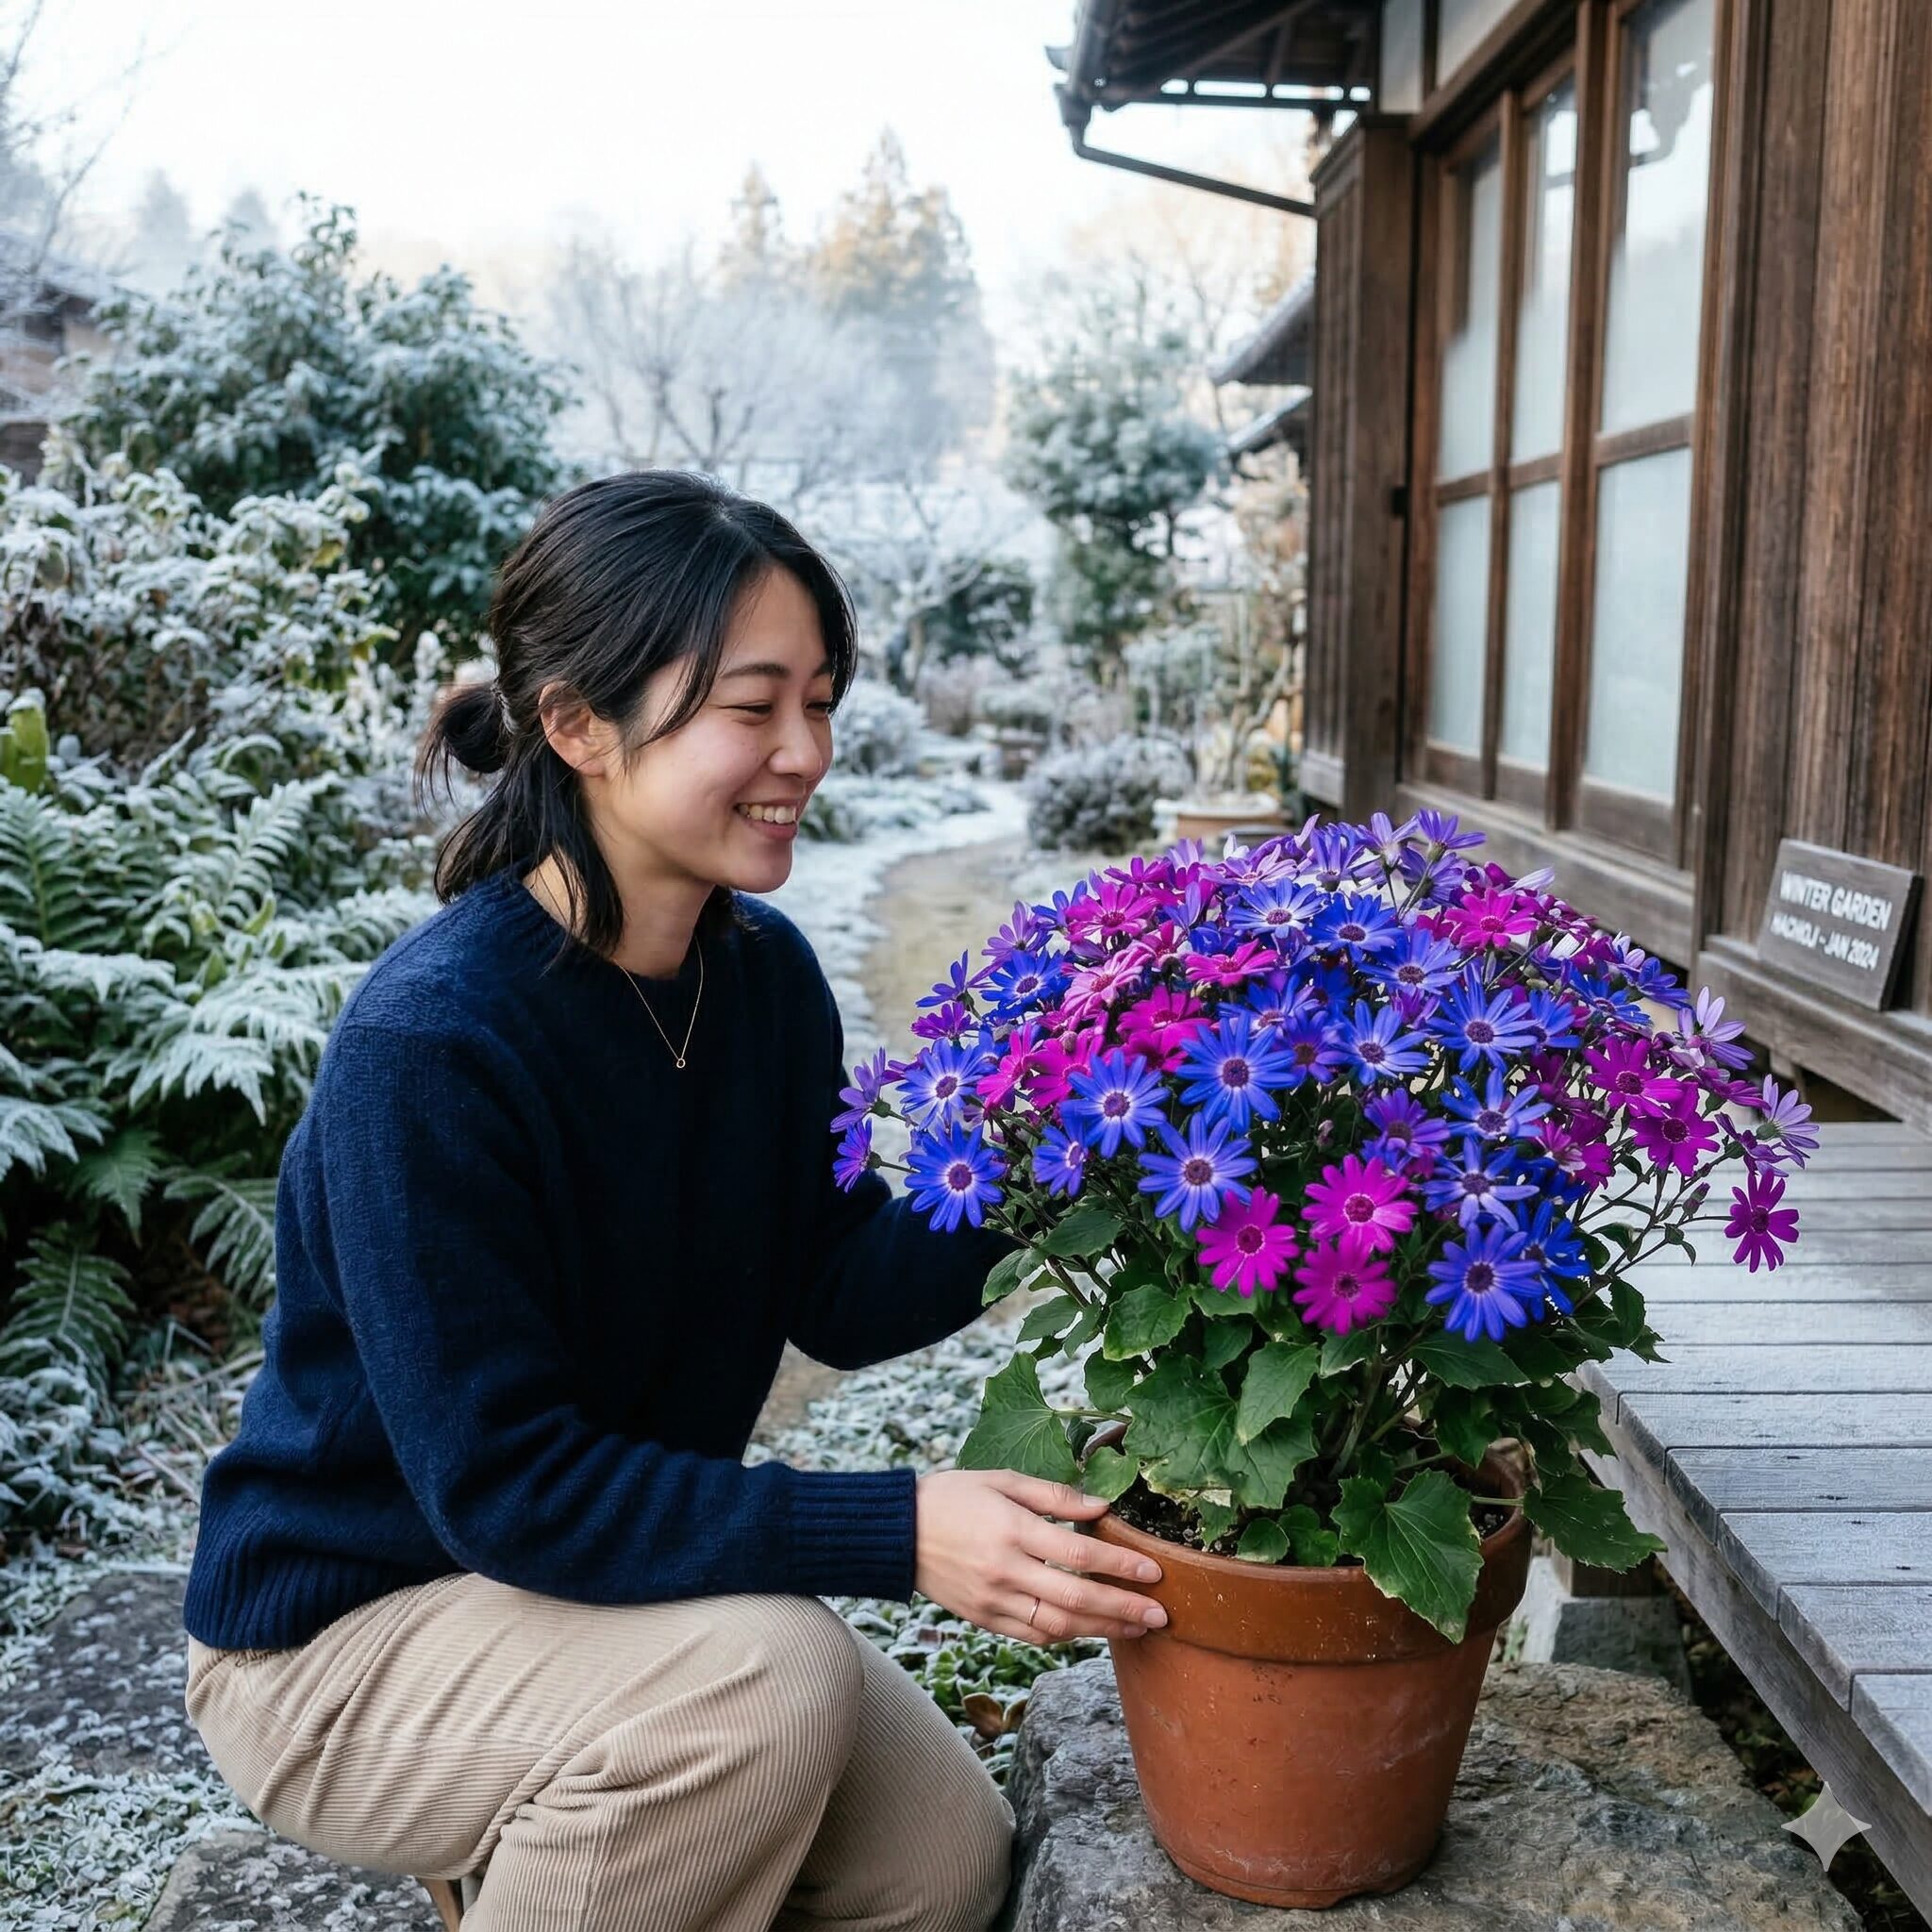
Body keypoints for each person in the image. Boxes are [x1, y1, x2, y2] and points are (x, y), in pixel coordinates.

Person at [179, 470, 1167, 1932]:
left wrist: (1071, 1145)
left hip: (598, 1593)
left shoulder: (759, 976)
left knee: (938, 1866)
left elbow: (833, 1285)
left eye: (819, 701)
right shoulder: (433, 1047)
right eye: (752, 707)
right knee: (771, 1681)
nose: (805, 753)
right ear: (579, 726)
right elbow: (506, 1485)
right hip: (350, 1634)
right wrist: (900, 1529)